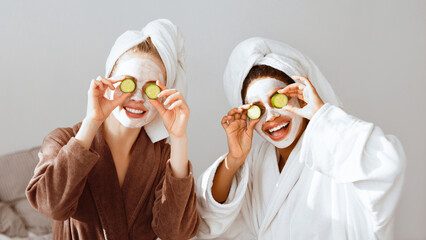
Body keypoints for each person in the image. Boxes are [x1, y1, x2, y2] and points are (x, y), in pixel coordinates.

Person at [196, 37, 406, 239]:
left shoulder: (335, 146)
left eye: (278, 99)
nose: (271, 116)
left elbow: (388, 163)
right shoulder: (258, 161)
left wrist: (320, 115)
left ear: (301, 95)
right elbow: (209, 221)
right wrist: (234, 159)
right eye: (257, 109)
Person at [26, 19, 200, 240]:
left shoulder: (164, 158)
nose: (137, 97)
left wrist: (178, 138)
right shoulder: (62, 140)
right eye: (129, 83)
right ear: (108, 81)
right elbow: (50, 205)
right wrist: (92, 121)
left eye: (151, 89)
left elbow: (176, 233)